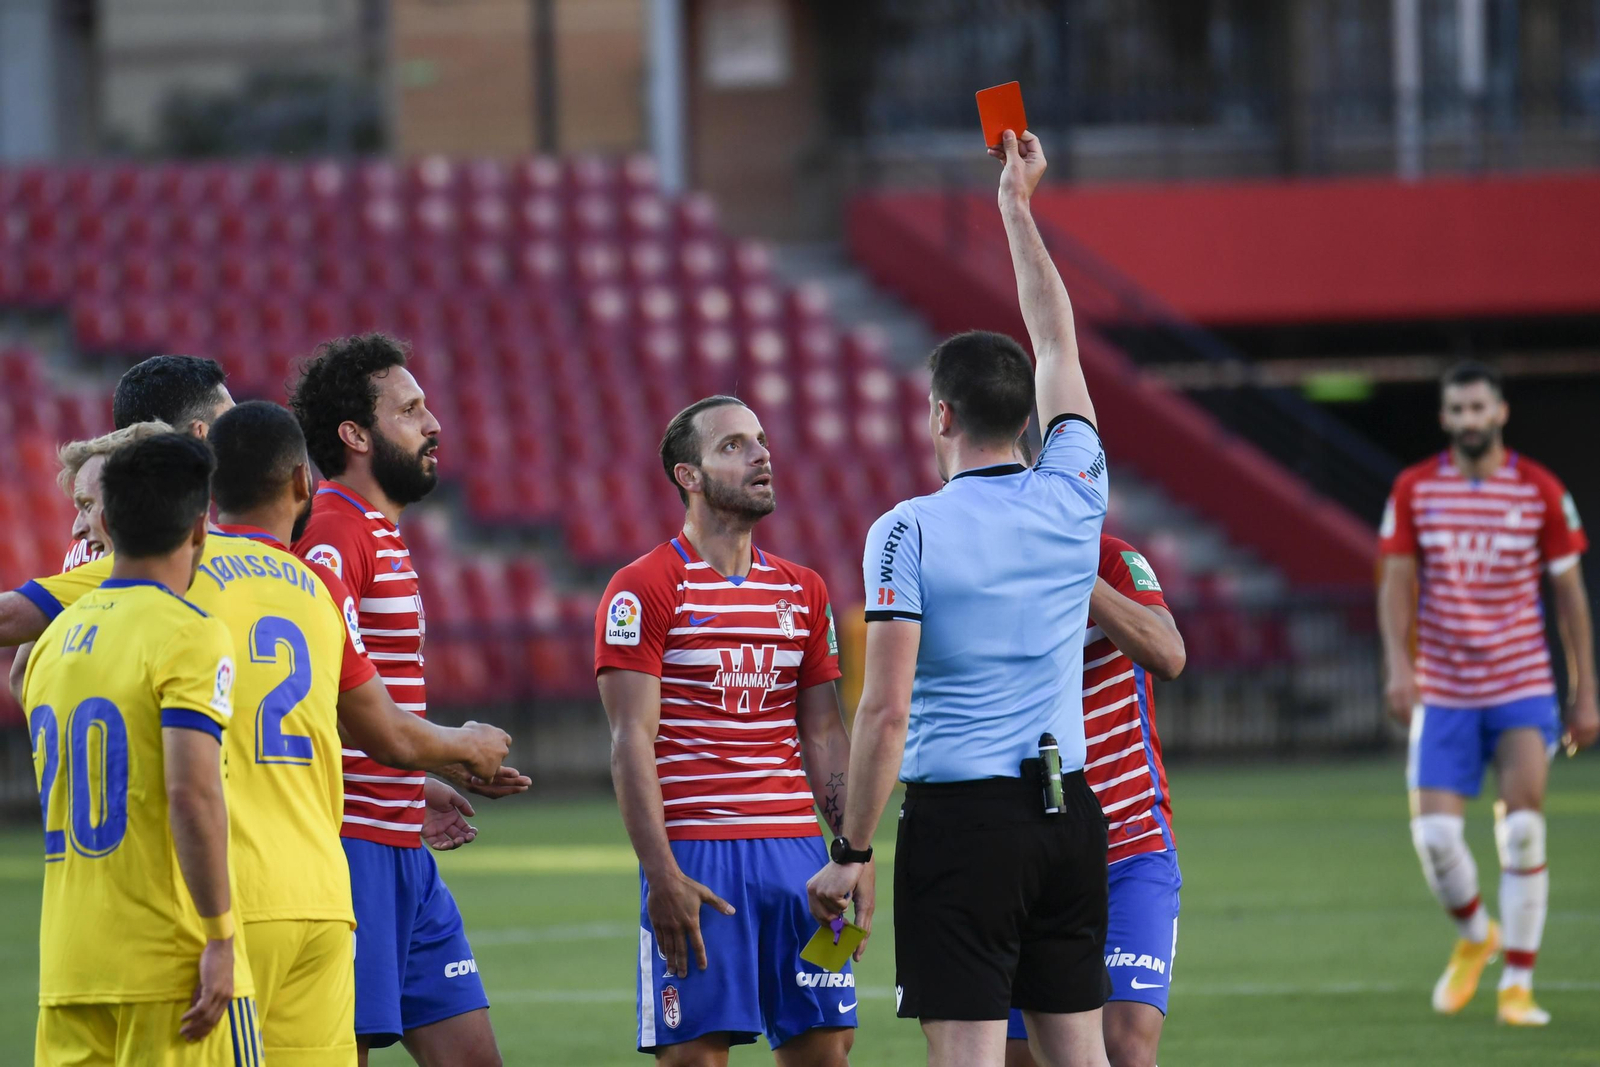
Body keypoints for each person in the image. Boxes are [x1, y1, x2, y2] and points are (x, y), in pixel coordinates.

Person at [13, 400, 524, 1064]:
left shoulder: (160, 581)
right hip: (315, 891)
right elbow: (377, 730)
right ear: (301, 483)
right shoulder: (312, 589)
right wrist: (465, 746)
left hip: (194, 905)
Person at [807, 128, 1111, 1067]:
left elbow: (886, 707)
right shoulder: (1076, 486)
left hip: (965, 821)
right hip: (1070, 815)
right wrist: (1017, 209)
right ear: (1029, 416)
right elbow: (1055, 334)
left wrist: (853, 852)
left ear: (939, 413)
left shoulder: (907, 529)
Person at [595, 395, 865, 1065]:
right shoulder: (643, 587)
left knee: (828, 1050)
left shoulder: (804, 590)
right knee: (694, 1056)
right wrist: (660, 873)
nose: (761, 454)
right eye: (734, 445)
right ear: (689, 476)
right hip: (698, 857)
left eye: (762, 441)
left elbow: (825, 731)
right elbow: (631, 740)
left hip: (800, 858)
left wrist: (854, 852)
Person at [290, 334, 509, 1066]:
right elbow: (322, 694)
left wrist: (412, 787)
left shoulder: (373, 530)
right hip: (348, 852)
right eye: (410, 409)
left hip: (400, 848)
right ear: (355, 434)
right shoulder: (331, 534)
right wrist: (457, 743)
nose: (434, 422)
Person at [24, 432, 261, 1065]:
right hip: (170, 965)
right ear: (199, 532)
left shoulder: (48, 645)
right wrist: (218, 936)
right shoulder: (190, 635)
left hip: (69, 967)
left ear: (102, 520)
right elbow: (190, 793)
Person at [1377, 360, 1598, 1027]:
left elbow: (1570, 596)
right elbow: (1395, 582)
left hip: (1521, 684)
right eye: (1458, 410)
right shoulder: (1415, 488)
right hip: (1444, 689)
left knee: (1524, 828)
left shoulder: (1539, 490)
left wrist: (1585, 690)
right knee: (1437, 837)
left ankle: (1519, 987)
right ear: (1445, 418)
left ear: (1501, 412)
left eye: (1480, 408)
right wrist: (1398, 664)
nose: (1470, 420)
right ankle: (1477, 934)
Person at [1006, 535, 1187, 1067]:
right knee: (1022, 1056)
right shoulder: (969, 567)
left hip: (1129, 841)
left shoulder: (1108, 556)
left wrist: (1076, 572)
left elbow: (1169, 654)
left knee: (1125, 1044)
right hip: (1027, 853)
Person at [8, 421, 175, 705]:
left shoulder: (114, 562)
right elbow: (22, 673)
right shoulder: (90, 552)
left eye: (87, 506)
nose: (76, 530)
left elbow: (20, 670)